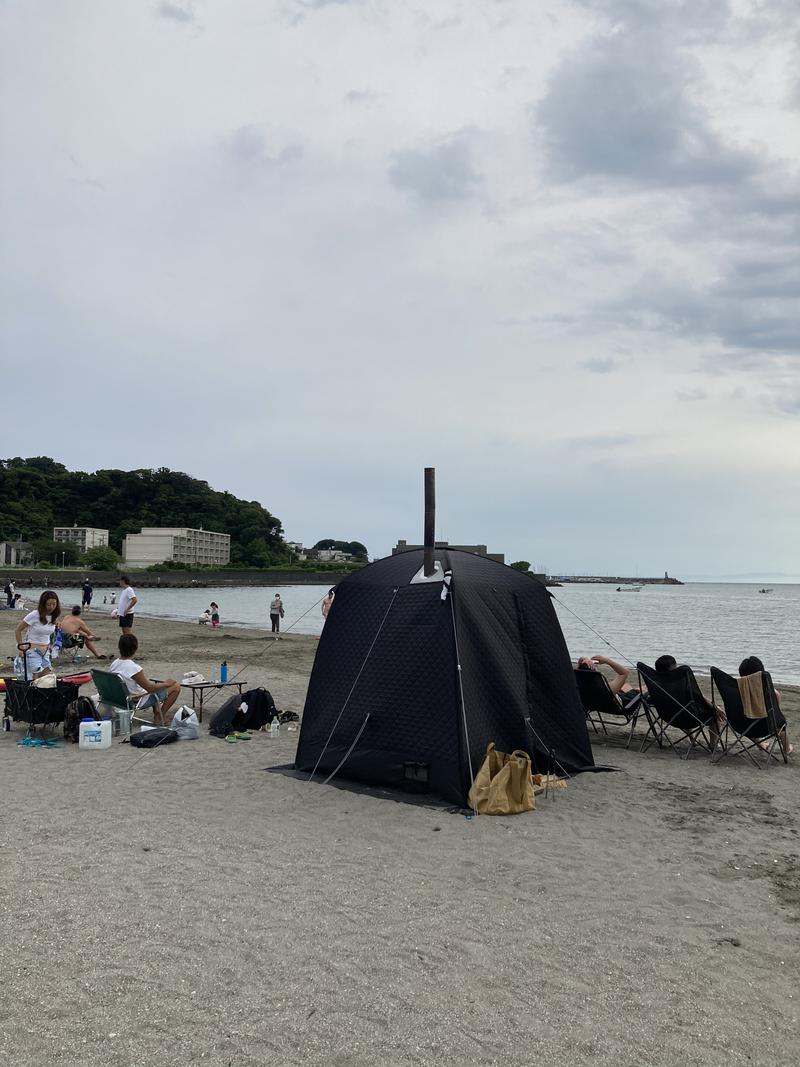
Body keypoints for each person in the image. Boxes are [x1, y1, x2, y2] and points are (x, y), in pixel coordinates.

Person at [110, 633, 180, 726]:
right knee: (175, 687)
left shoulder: (115, 663)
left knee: (151, 686)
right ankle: (160, 716)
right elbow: (150, 688)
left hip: (117, 698)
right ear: (135, 648)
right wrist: (166, 684)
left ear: (119, 647)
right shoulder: (133, 668)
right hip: (135, 700)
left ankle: (158, 713)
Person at [739, 655, 792, 754]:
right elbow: (776, 714)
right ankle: (787, 749)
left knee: (745, 720)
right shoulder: (772, 693)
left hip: (742, 726)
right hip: (767, 727)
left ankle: (761, 744)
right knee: (780, 723)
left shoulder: (736, 692)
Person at [14, 590, 61, 679]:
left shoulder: (53, 616)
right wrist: (21, 648)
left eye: (54, 604)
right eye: (48, 604)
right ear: (43, 604)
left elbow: (48, 631)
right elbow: (18, 630)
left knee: (46, 674)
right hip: (32, 651)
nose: (51, 607)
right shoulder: (34, 615)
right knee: (35, 675)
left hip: (46, 651)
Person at [576, 653, 642, 707]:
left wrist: (585, 659)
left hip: (593, 704)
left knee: (626, 686)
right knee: (642, 689)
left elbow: (578, 667)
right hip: (624, 703)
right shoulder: (605, 690)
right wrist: (606, 660)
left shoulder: (577, 684)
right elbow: (625, 672)